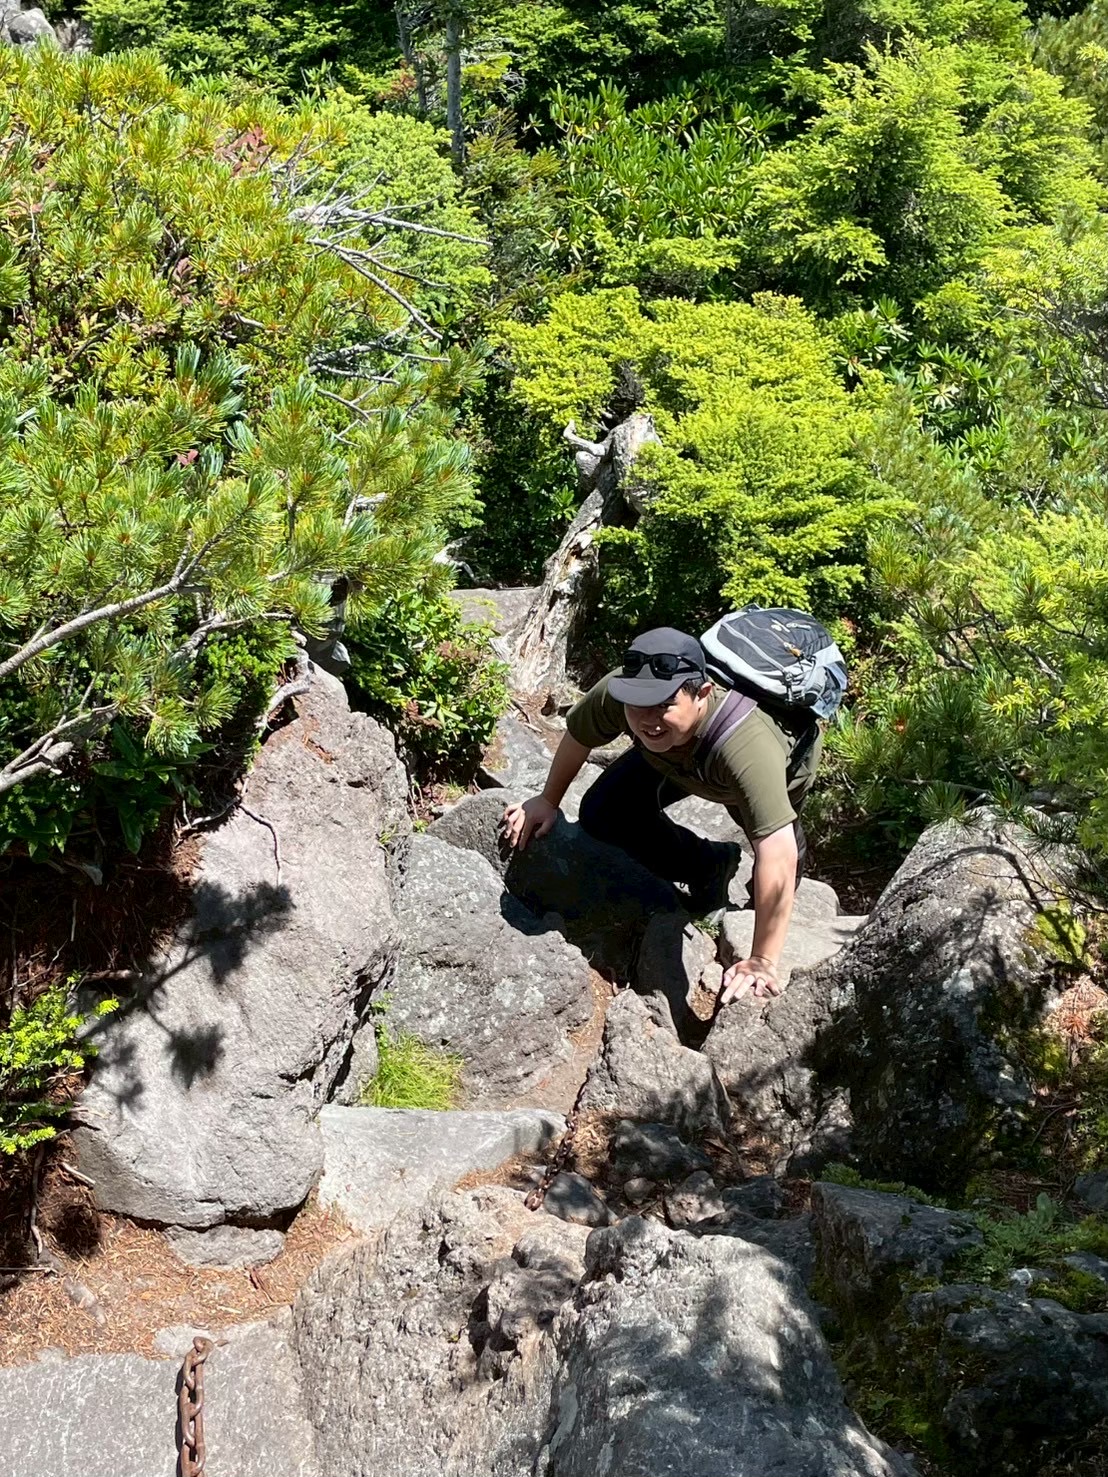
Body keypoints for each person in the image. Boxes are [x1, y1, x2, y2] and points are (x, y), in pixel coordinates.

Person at [501, 627, 822, 1006]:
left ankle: (757, 925)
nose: (647, 718)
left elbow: (778, 851)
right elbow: (579, 734)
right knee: (603, 812)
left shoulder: (747, 748)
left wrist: (762, 961)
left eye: (663, 704)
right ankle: (710, 867)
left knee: (771, 847)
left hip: (753, 767)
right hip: (670, 755)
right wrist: (547, 800)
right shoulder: (621, 693)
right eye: (637, 705)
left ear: (702, 694)